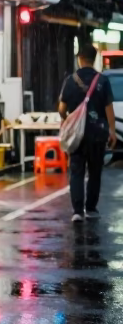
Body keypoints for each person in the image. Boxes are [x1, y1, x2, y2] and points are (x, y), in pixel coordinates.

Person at [59, 42, 116, 222]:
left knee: (76, 171)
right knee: (95, 171)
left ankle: (77, 211)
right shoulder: (103, 80)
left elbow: (61, 109)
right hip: (97, 133)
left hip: (77, 135)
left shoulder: (70, 80)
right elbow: (109, 110)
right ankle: (91, 208)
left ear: (79, 58)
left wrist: (69, 119)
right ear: (95, 58)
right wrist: (112, 131)